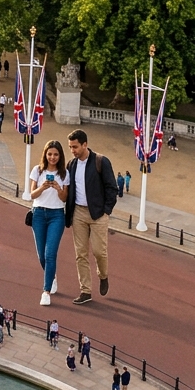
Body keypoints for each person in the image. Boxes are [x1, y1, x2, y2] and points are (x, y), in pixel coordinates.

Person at [64, 129, 117, 304]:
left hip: (98, 214)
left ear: (85, 144)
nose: (72, 150)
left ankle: (103, 276)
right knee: (80, 254)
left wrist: (106, 210)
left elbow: (112, 188)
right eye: (70, 147)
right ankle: (85, 290)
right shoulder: (71, 164)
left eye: (75, 147)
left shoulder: (101, 161)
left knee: (99, 252)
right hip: (78, 213)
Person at [29, 140, 70, 305]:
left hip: (57, 215)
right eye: (50, 154)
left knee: (50, 253)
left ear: (60, 156)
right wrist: (43, 187)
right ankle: (51, 276)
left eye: (56, 154)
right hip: (38, 214)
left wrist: (59, 189)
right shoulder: (37, 171)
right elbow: (32, 194)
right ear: (45, 154)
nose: (52, 157)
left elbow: (64, 198)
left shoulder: (64, 174)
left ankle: (46, 291)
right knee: (41, 255)